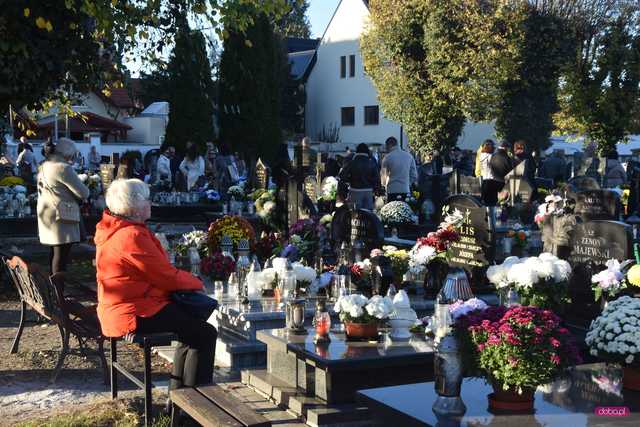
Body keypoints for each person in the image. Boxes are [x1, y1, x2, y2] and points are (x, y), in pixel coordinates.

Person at [94, 178, 217, 393]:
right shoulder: (130, 235)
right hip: (134, 311)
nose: (150, 204)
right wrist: (196, 283)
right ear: (134, 206)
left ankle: (180, 398)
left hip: (125, 305)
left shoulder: (116, 229)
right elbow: (165, 276)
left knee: (193, 329)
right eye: (148, 199)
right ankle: (196, 400)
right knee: (204, 333)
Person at [36, 138, 90, 274]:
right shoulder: (63, 167)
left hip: (47, 213)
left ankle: (53, 287)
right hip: (62, 216)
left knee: (54, 253)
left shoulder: (44, 165)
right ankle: (58, 291)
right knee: (61, 256)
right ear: (68, 154)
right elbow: (84, 193)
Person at [338, 143, 380, 210]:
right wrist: (376, 189)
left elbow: (342, 175)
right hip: (368, 191)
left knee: (355, 213)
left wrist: (350, 180)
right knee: (368, 214)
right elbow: (376, 178)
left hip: (355, 190)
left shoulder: (352, 161)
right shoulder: (372, 162)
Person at [380, 136, 417, 202]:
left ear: (389, 145)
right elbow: (414, 175)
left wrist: (384, 185)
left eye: (386, 146)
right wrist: (408, 183)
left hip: (391, 190)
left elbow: (383, 177)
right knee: (404, 210)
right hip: (405, 189)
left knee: (392, 211)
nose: (386, 149)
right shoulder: (409, 156)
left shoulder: (387, 158)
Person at [478, 139, 500, 206]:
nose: (494, 148)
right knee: (492, 203)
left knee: (485, 202)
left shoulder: (481, 155)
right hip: (491, 181)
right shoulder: (491, 156)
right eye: (493, 146)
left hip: (484, 180)